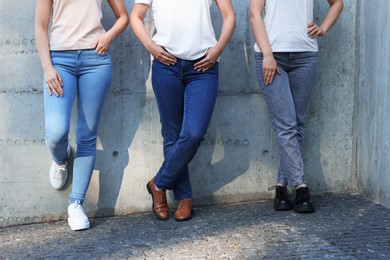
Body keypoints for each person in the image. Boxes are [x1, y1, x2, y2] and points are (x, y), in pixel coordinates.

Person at [130, 0, 235, 221]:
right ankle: (184, 198)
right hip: (166, 64)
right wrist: (152, 47)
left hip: (203, 67)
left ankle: (158, 183)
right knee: (172, 134)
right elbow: (135, 17)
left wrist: (217, 50)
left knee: (194, 132)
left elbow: (229, 15)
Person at [34, 0, 129, 230]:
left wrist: (108, 36)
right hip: (60, 61)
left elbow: (123, 17)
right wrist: (47, 67)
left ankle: (76, 204)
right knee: (56, 133)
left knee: (87, 135)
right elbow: (40, 24)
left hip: (95, 61)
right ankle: (60, 159)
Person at [250, 0, 343, 213]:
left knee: (297, 125)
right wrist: (267, 54)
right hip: (272, 56)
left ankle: (281, 188)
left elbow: (337, 3)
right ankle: (301, 187)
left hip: (306, 55)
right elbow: (255, 15)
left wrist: (323, 28)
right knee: (286, 124)